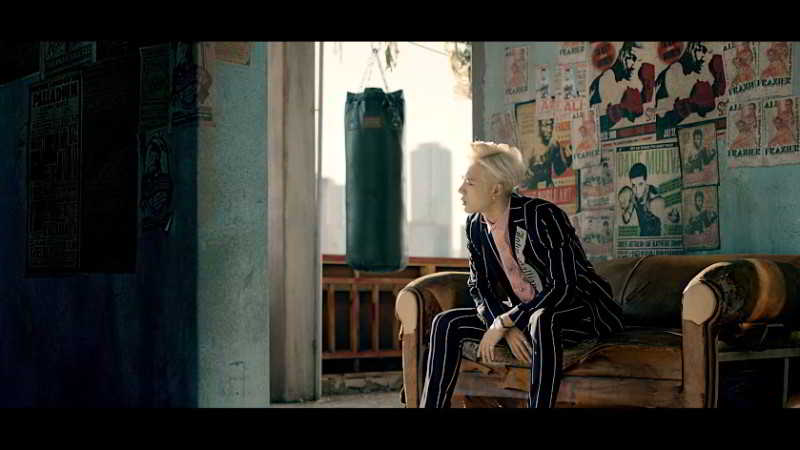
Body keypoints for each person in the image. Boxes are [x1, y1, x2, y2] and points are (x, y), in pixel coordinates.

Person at [420, 141, 624, 409]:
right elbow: (479, 286)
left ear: (495, 189)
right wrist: (502, 325)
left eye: (469, 182)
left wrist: (508, 320)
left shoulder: (542, 216)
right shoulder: (475, 226)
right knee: (445, 323)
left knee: (542, 318)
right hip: (523, 315)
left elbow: (564, 286)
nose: (460, 189)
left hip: (579, 312)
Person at [618, 163, 664, 236]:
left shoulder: (654, 193)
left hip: (657, 238)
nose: (637, 190)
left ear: (646, 181)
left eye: (640, 184)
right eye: (633, 185)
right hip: (642, 236)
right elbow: (626, 219)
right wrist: (626, 204)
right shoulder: (633, 195)